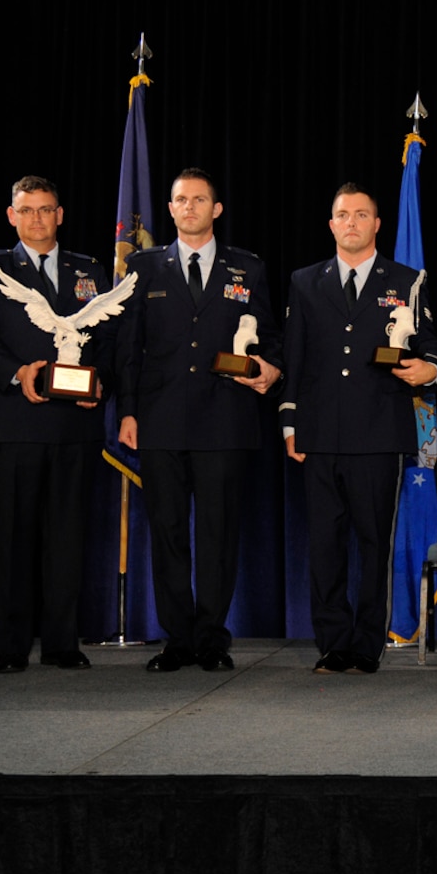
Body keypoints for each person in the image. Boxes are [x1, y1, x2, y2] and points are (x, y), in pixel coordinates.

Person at [116, 167, 280, 673]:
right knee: (166, 532)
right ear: (169, 209)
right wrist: (126, 411)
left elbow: (270, 338)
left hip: (224, 421)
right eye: (181, 200)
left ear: (217, 209)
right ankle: (178, 639)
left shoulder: (246, 269)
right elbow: (128, 349)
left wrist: (270, 370)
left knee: (217, 533)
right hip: (160, 422)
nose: (189, 207)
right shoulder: (142, 267)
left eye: (199, 199)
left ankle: (211, 638)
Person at [280, 182, 437, 675]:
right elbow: (295, 357)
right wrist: (291, 423)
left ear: (377, 224)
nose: (351, 222)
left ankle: (367, 644)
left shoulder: (408, 279)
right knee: (326, 546)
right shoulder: (306, 281)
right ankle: (333, 642)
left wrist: (429, 369)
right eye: (342, 214)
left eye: (361, 214)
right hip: (320, 434)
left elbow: (432, 343)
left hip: (380, 433)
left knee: (375, 544)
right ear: (331, 224)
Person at [0, 176, 115, 673]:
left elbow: (110, 338)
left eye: (45, 210)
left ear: (60, 214)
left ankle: (62, 643)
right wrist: (14, 372)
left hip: (74, 428)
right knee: (15, 540)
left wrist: (100, 384)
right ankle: (11, 647)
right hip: (12, 427)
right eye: (26, 210)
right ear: (11, 216)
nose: (37, 219)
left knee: (67, 540)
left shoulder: (86, 271)